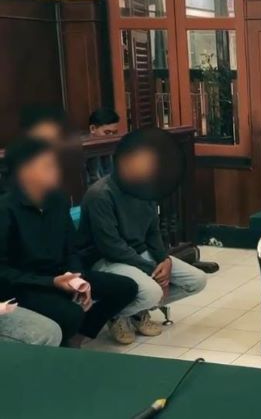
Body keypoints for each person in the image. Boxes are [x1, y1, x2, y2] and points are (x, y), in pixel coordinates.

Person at [0, 137, 138, 347]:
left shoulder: (58, 199)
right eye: (47, 166)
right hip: (26, 284)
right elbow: (4, 272)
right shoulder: (5, 209)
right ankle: (64, 344)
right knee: (70, 313)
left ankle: (78, 337)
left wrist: (77, 279)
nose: (56, 172)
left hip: (62, 276)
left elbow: (71, 248)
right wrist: (51, 282)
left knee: (126, 287)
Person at [77, 131, 207, 345]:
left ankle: (135, 311)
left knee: (197, 280)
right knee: (152, 291)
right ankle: (115, 313)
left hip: (138, 253)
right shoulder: (100, 194)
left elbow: (153, 231)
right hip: (106, 260)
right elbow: (111, 247)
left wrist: (164, 260)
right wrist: (152, 271)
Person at [86, 108, 120, 184]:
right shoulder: (83, 149)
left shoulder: (114, 145)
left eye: (114, 132)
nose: (111, 136)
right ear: (92, 129)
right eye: (107, 132)